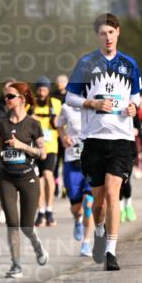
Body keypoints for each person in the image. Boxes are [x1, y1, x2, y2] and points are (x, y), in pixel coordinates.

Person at [65, 12, 141, 271]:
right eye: (102, 33)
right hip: (94, 139)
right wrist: (92, 102)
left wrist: (133, 107)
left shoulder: (129, 64)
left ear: (118, 32)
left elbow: (136, 96)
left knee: (112, 194)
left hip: (121, 139)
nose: (107, 37)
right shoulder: (86, 63)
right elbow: (70, 98)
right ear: (97, 36)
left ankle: (111, 251)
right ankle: (98, 231)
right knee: (98, 202)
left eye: (111, 32)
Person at [0, 82, 49, 278]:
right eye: (5, 96)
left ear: (22, 99)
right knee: (12, 222)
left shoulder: (33, 124)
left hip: (28, 177)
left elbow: (43, 154)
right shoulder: (2, 123)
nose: (6, 99)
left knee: (26, 226)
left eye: (10, 96)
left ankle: (37, 246)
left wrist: (22, 146)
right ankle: (16, 265)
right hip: (7, 178)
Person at [56, 95, 94, 256]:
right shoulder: (66, 107)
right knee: (76, 208)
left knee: (88, 204)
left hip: (91, 162)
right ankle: (77, 220)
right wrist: (63, 137)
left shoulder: (94, 103)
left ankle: (86, 243)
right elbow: (58, 125)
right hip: (72, 160)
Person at [30, 77, 62, 227]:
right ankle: (41, 211)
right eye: (40, 89)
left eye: (44, 89)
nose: (42, 92)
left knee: (48, 176)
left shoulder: (55, 104)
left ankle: (49, 210)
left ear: (48, 90)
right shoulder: (30, 104)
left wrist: (57, 122)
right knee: (38, 180)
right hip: (34, 148)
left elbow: (62, 123)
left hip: (50, 147)